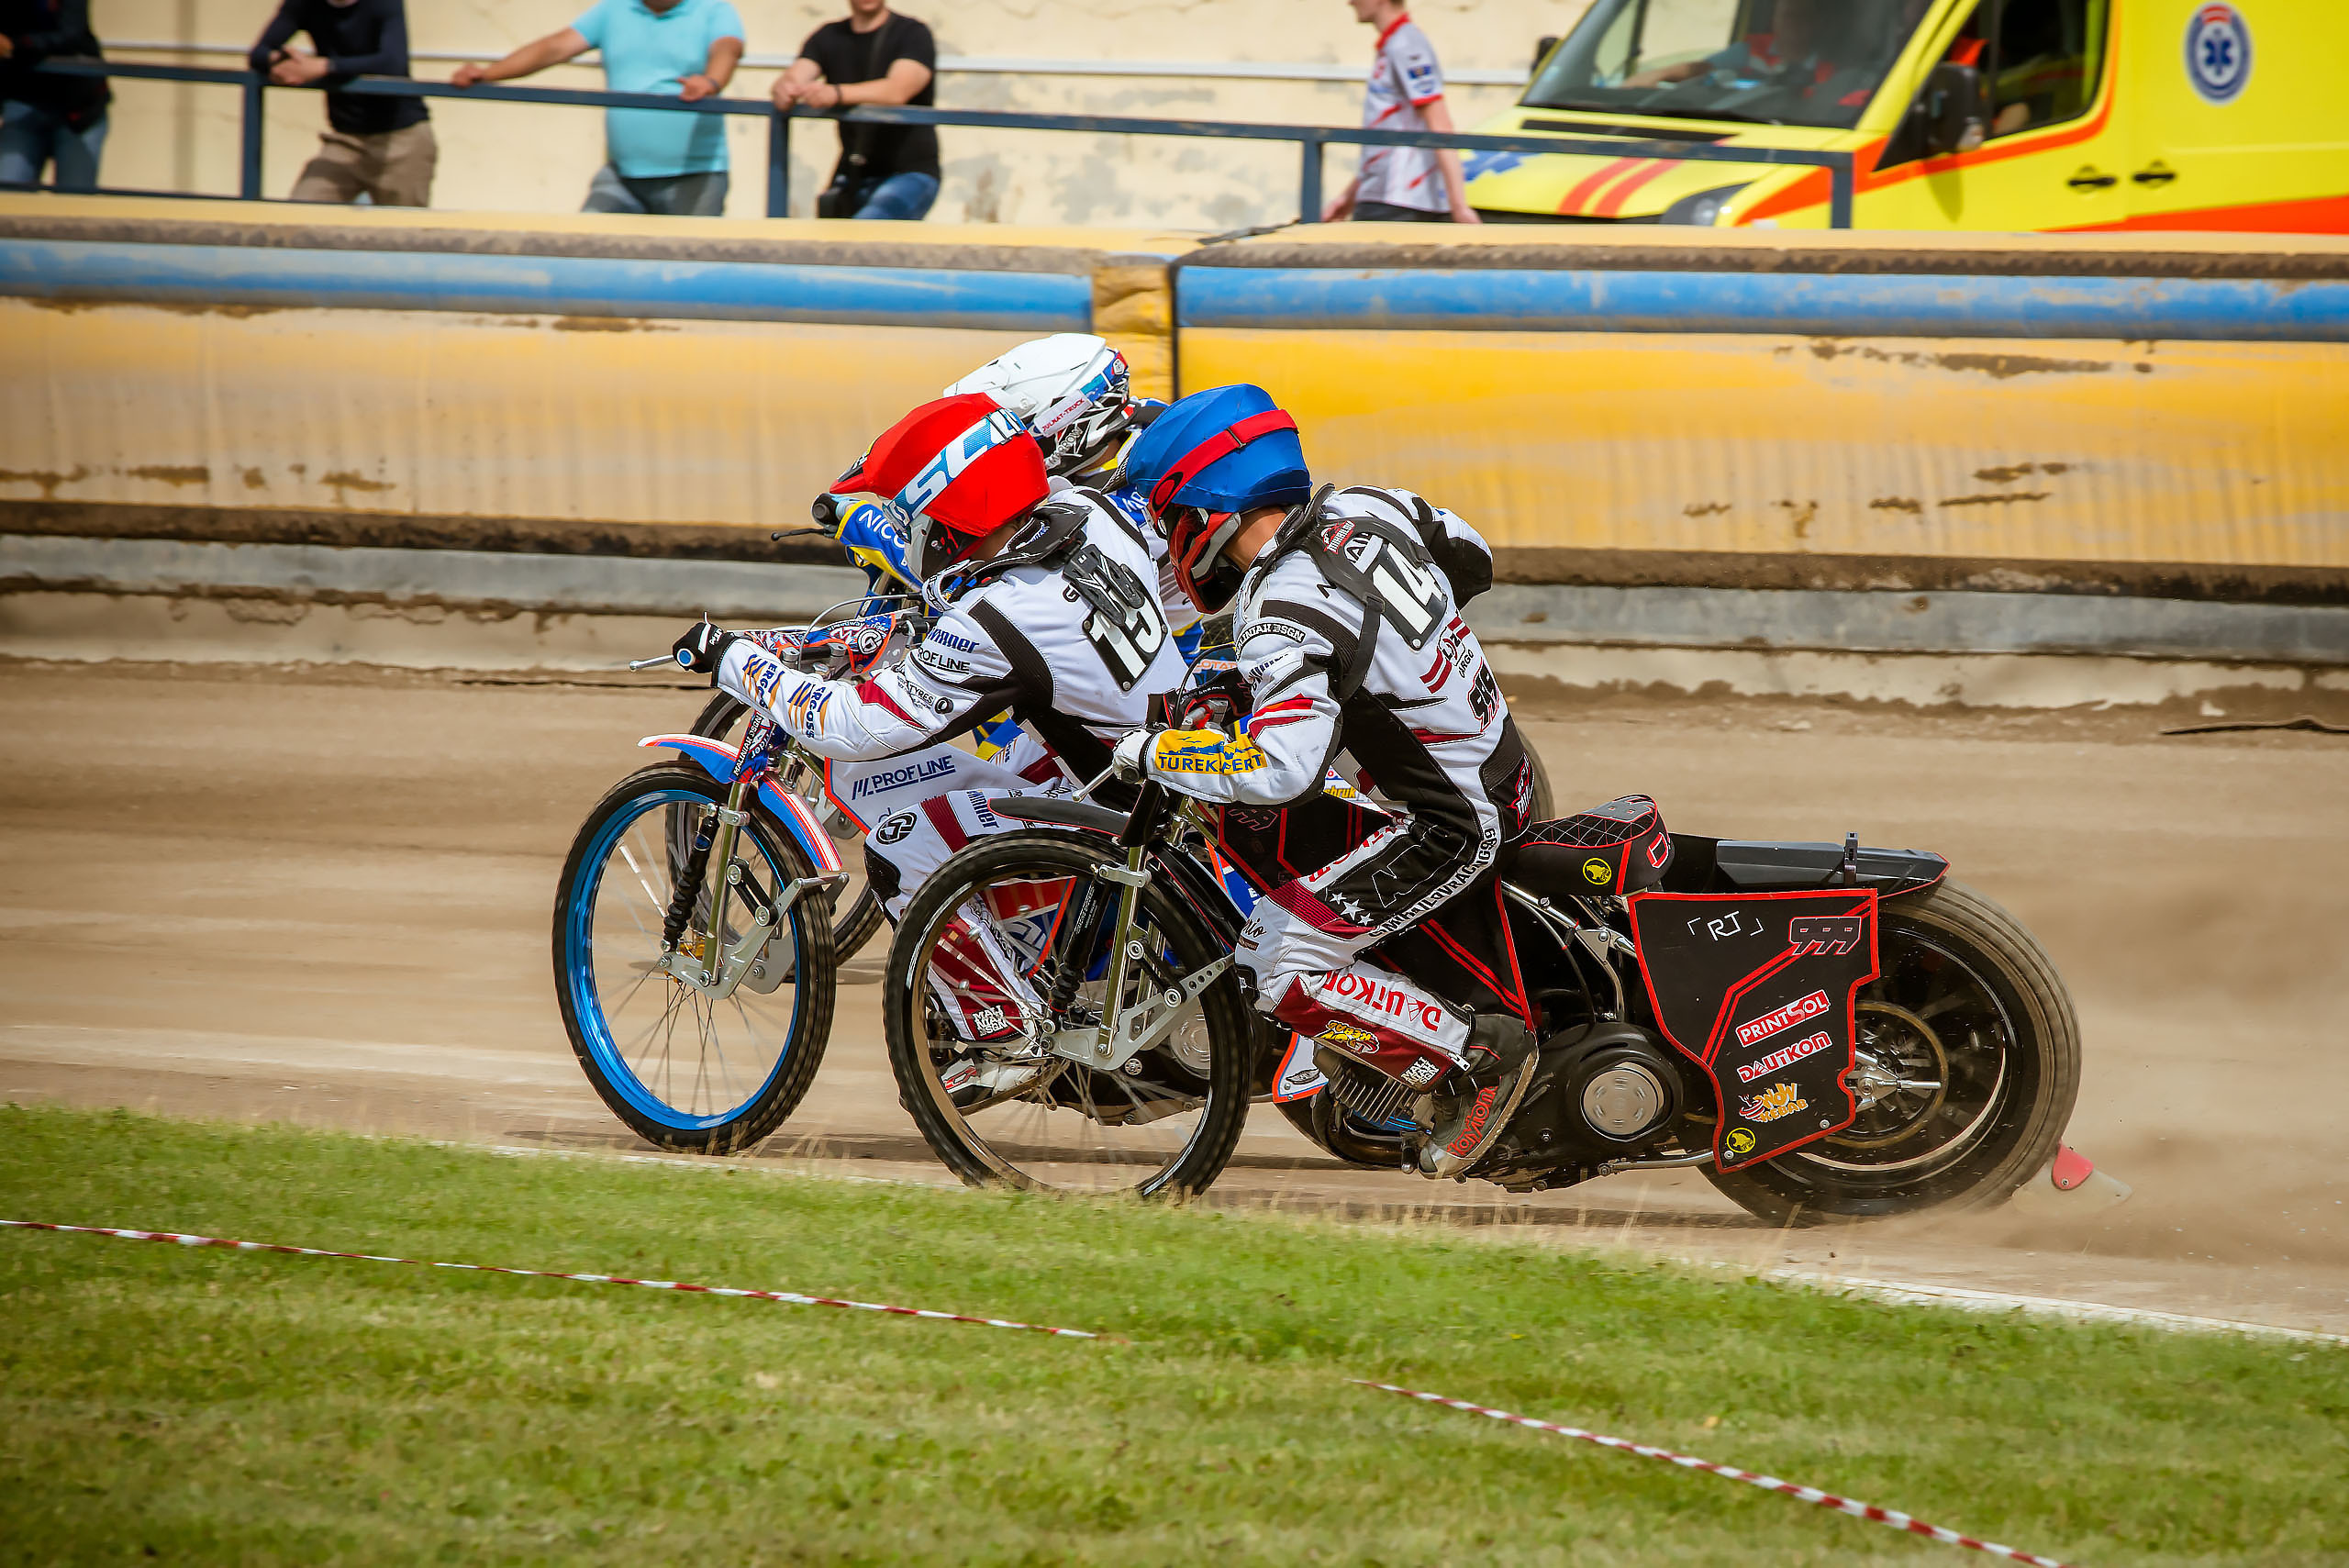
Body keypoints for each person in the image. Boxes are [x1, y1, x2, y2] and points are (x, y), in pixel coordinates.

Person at [1107, 384, 1539, 1180]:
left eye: (1172, 519)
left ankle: (1478, 1056)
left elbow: (1281, 768)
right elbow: (1468, 554)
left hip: (1449, 825)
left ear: (1210, 509)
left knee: (1274, 958)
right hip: (1507, 766)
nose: (1174, 542)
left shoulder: (1279, 609)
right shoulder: (1373, 505)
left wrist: (1154, 751)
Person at [669, 395, 1193, 1046]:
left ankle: (1000, 1032)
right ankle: (1055, 961)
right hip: (1167, 756)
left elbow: (854, 725)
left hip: (1123, 799)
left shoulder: (994, 619)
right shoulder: (1089, 511)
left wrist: (735, 660)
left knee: (898, 845)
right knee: (1002, 771)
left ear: (946, 513)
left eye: (908, 513)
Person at [453, 0, 742, 217]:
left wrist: (710, 82)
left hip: (696, 176)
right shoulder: (614, 10)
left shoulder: (714, 10)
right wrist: (489, 73)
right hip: (623, 175)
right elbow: (555, 47)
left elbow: (727, 48)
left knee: (687, 273)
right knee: (588, 250)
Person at [248, 0, 434, 206]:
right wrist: (282, 62)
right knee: (301, 213)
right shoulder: (303, 4)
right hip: (345, 139)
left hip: (401, 139)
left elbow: (393, 63)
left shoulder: (384, 3)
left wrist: (325, 66)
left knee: (404, 232)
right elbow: (258, 53)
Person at [774, 0, 938, 220]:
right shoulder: (829, 35)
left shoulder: (912, 33)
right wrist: (785, 89)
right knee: (829, 246)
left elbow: (898, 91)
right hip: (852, 173)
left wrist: (837, 94)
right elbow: (796, 76)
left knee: (865, 233)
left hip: (909, 172)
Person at [1323, 0, 1478, 225]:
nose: (1350, 2)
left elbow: (1440, 124)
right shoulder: (1395, 44)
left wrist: (1459, 206)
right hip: (1386, 199)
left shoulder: (1406, 44)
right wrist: (1349, 196)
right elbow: (1390, 136)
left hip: (1399, 203)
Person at [0, 0, 108, 192]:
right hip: (22, 102)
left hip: (78, 109)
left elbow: (71, 34)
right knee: (8, 193)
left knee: (75, 200)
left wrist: (16, 45)